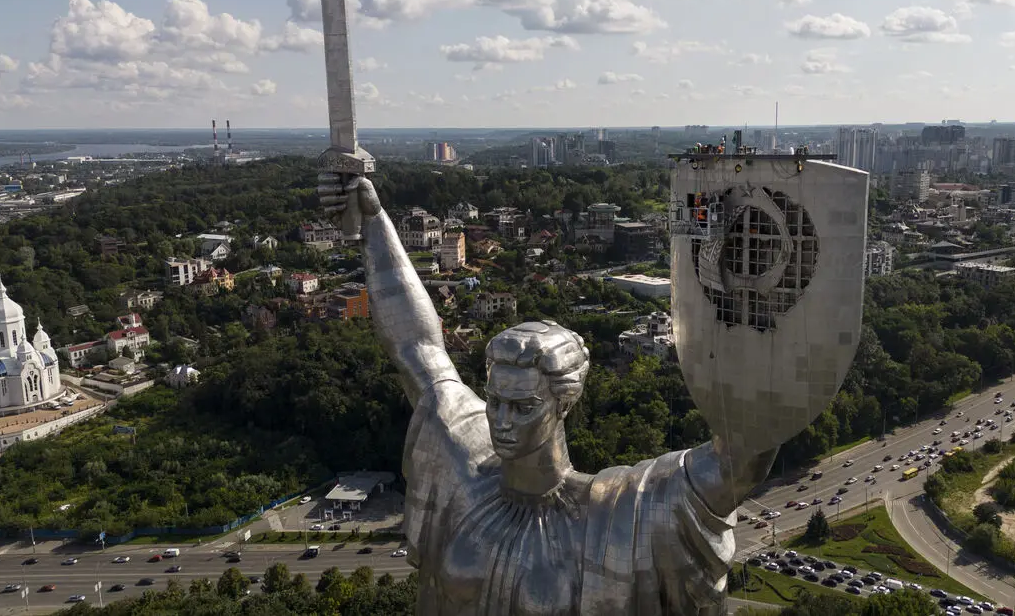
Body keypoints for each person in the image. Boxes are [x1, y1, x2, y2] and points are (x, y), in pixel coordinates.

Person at [319, 174, 779, 615]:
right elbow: (416, 346)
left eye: (522, 407)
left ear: (564, 404)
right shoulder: (464, 465)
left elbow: (738, 461)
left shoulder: (620, 515)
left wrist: (756, 314)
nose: (499, 419)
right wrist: (373, 221)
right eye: (495, 400)